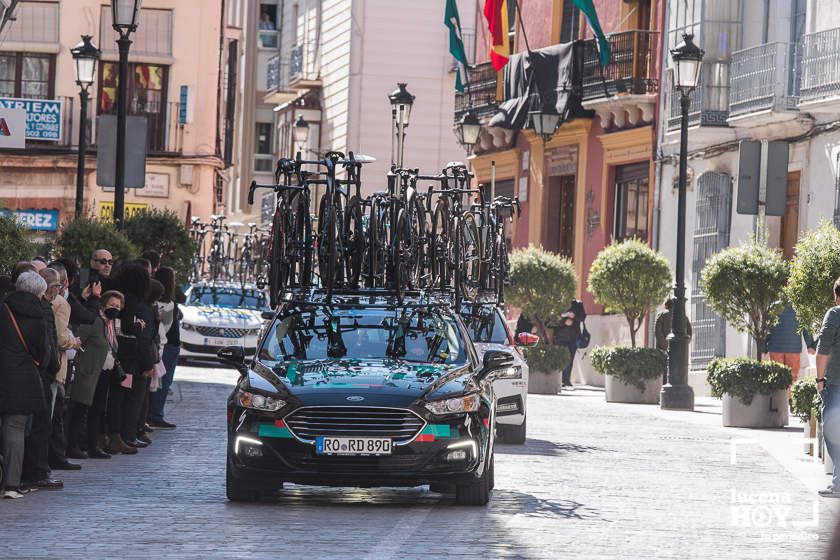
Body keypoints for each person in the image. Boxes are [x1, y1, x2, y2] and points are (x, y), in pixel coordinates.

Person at [0, 272, 49, 499]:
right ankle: (11, 484)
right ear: (40, 293)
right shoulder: (39, 316)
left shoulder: (3, 307)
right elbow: (43, 353)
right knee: (15, 429)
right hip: (22, 379)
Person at [67, 291, 124, 459]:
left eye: (118, 306)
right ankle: (72, 445)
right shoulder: (94, 321)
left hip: (105, 371)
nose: (114, 308)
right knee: (80, 408)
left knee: (97, 410)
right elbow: (78, 341)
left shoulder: (111, 324)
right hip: (89, 371)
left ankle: (93, 446)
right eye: (111, 305)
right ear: (103, 305)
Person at [21, 269, 64, 490]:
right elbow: (47, 342)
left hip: (31, 372)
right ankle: (37, 471)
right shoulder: (43, 309)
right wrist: (52, 366)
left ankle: (31, 470)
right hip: (42, 374)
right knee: (40, 425)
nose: (58, 289)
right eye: (55, 285)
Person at [111, 263, 153, 452]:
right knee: (123, 399)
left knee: (118, 399)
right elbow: (129, 327)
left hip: (119, 353)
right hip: (128, 357)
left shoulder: (118, 295)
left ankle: (115, 435)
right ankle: (120, 436)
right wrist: (139, 327)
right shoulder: (133, 300)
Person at [43, 266, 82, 472]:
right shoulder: (61, 303)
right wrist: (73, 341)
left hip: (46, 365)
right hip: (55, 366)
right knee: (52, 415)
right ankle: (51, 460)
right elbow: (59, 336)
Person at [149, 267, 180, 428]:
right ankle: (155, 414)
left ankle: (152, 414)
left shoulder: (155, 302)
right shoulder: (168, 304)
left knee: (156, 380)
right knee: (163, 380)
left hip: (163, 345)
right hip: (167, 346)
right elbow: (167, 327)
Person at [817, 278, 840, 497]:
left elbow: (822, 349)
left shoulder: (834, 314)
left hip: (836, 383)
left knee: (833, 433)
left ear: (836, 295)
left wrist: (819, 380)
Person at [766, 304, 815, 392]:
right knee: (792, 377)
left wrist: (764, 347)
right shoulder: (799, 307)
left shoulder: (773, 306)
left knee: (776, 376)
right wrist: (810, 345)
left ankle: (777, 401)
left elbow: (767, 328)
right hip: (793, 347)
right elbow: (806, 327)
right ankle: (790, 401)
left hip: (775, 347)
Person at [654, 299, 693, 383]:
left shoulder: (661, 315)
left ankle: (666, 384)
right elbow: (689, 332)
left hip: (664, 347)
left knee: (665, 369)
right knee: (679, 367)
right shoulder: (683, 316)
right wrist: (684, 344)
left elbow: (657, 331)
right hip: (679, 348)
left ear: (666, 305)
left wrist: (664, 344)